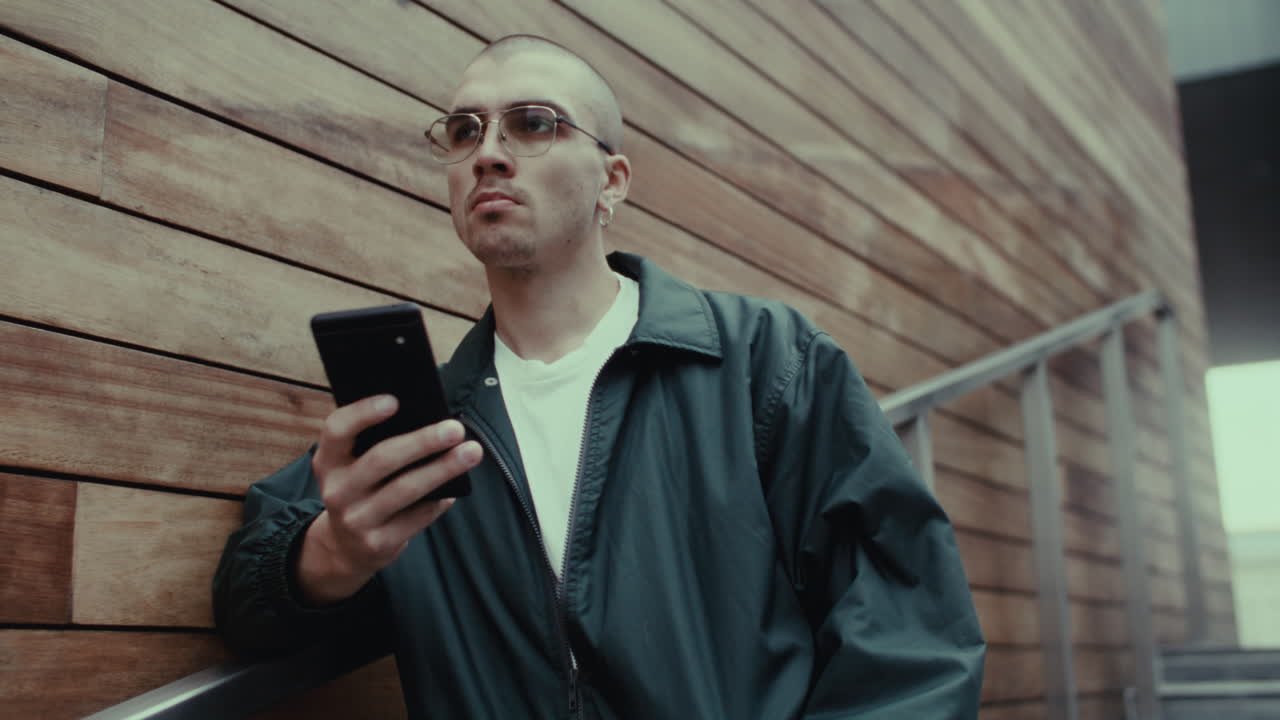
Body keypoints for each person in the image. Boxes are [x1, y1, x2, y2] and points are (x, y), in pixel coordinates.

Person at [214, 34, 985, 719]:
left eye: (534, 123)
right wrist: (329, 558)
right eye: (463, 129)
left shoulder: (763, 360)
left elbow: (908, 632)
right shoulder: (431, 426)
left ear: (612, 181)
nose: (488, 151)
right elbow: (248, 598)